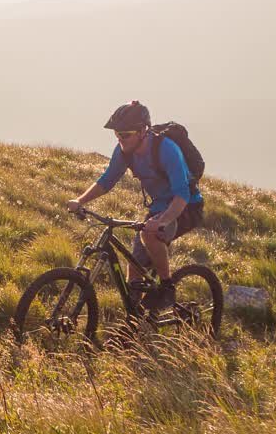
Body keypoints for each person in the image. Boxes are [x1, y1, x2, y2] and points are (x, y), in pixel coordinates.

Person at [66, 100, 205, 315]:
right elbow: (106, 181)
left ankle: (167, 287)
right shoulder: (124, 151)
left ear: (142, 131)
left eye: (125, 134)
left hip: (187, 207)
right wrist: (80, 201)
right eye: (117, 135)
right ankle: (132, 321)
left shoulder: (167, 150)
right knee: (135, 263)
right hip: (159, 207)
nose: (120, 139)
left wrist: (161, 222)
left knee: (150, 237)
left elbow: (182, 194)